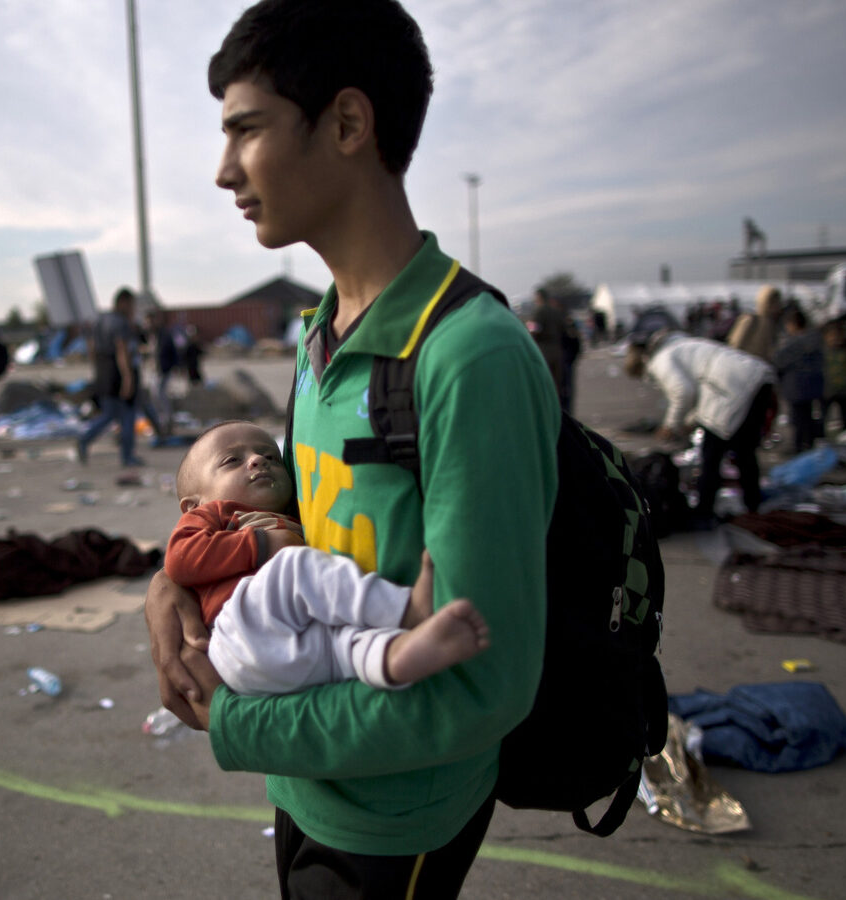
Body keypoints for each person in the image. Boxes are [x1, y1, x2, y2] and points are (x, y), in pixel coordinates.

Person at [146, 3, 559, 896]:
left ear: (345, 123)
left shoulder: (469, 357)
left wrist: (234, 722)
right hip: (307, 780)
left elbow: (482, 688)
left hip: (398, 811)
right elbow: (287, 525)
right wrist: (171, 581)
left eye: (245, 130)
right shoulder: (317, 337)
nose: (223, 172)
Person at [169, 420, 489, 696]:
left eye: (270, 456)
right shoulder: (213, 516)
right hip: (236, 634)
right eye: (231, 460)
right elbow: (180, 560)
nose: (257, 461)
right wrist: (261, 543)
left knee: (342, 642)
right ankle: (408, 611)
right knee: (295, 567)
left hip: (279, 653)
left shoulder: (295, 513)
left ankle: (394, 660)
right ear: (192, 506)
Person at [626, 331, 775, 522]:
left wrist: (670, 425)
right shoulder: (679, 346)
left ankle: (705, 511)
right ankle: (753, 505)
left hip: (730, 389)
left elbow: (683, 391)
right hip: (752, 377)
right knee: (743, 451)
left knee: (712, 455)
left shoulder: (661, 360)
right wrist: (690, 421)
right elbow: (696, 388)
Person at [77, 287, 143, 468]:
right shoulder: (120, 323)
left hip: (104, 373)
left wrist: (98, 371)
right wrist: (128, 378)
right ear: (123, 302)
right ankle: (127, 456)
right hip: (118, 374)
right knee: (127, 416)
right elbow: (122, 351)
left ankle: (85, 438)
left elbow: (91, 348)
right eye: (132, 305)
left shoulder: (100, 320)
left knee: (109, 414)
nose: (133, 309)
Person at [772, 307, 824, 453]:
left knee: (797, 419)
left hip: (796, 387)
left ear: (793, 324)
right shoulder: (815, 339)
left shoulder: (792, 344)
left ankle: (799, 446)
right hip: (814, 385)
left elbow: (779, 361)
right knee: (809, 417)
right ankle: (810, 444)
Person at [527, 287, 568, 407]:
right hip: (557, 350)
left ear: (539, 297)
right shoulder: (556, 311)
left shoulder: (539, 311)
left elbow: (533, 330)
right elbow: (564, 330)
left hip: (543, 350)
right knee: (557, 386)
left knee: (544, 385)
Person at [726, 285, 782, 363]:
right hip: (744, 366)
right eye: (775, 302)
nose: (778, 307)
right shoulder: (750, 319)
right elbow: (736, 345)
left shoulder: (772, 324)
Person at [820, 321, 846, 433]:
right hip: (827, 390)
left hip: (843, 389)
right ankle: (820, 436)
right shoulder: (822, 352)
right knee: (823, 417)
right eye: (832, 336)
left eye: (838, 336)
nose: (835, 339)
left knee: (845, 416)